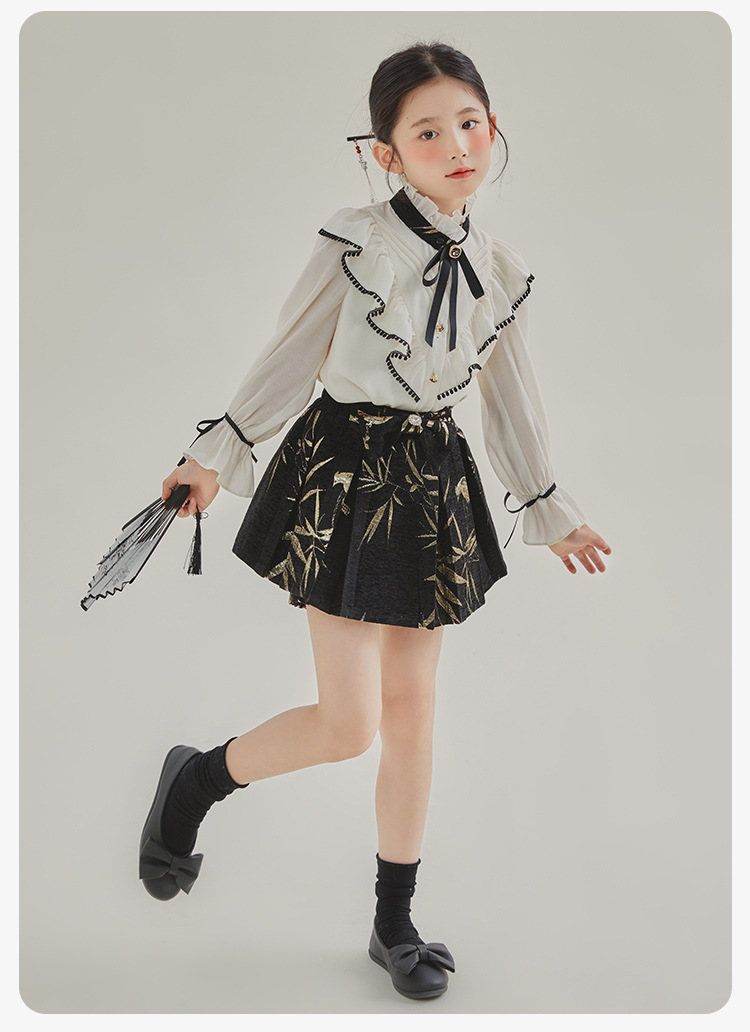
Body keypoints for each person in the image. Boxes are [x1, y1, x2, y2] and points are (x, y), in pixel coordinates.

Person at [138, 40, 611, 1001]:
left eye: (470, 123)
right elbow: (288, 354)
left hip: (430, 482)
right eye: (428, 132)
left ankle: (395, 922)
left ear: (494, 129)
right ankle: (195, 781)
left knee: (413, 715)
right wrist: (214, 455)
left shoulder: (498, 268)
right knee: (348, 723)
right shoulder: (355, 242)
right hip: (345, 476)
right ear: (386, 153)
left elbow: (511, 400)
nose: (457, 145)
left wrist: (547, 507)